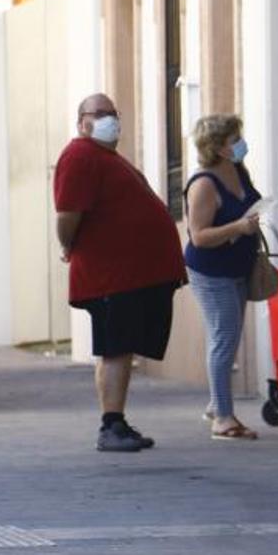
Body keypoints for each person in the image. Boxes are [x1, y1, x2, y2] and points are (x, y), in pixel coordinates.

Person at [54, 93, 187, 452]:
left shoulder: (105, 158)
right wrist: (68, 245)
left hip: (130, 274)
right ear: (82, 121)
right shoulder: (79, 155)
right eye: (99, 114)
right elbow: (67, 215)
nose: (109, 119)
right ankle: (110, 425)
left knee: (122, 348)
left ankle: (117, 421)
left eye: (113, 113)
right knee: (115, 349)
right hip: (112, 275)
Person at [184, 114, 263, 441]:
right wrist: (238, 228)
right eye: (234, 139)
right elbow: (199, 235)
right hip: (211, 270)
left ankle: (217, 404)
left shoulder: (238, 171)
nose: (240, 143)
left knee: (229, 337)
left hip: (238, 266)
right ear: (216, 146)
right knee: (224, 337)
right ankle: (224, 419)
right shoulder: (203, 183)